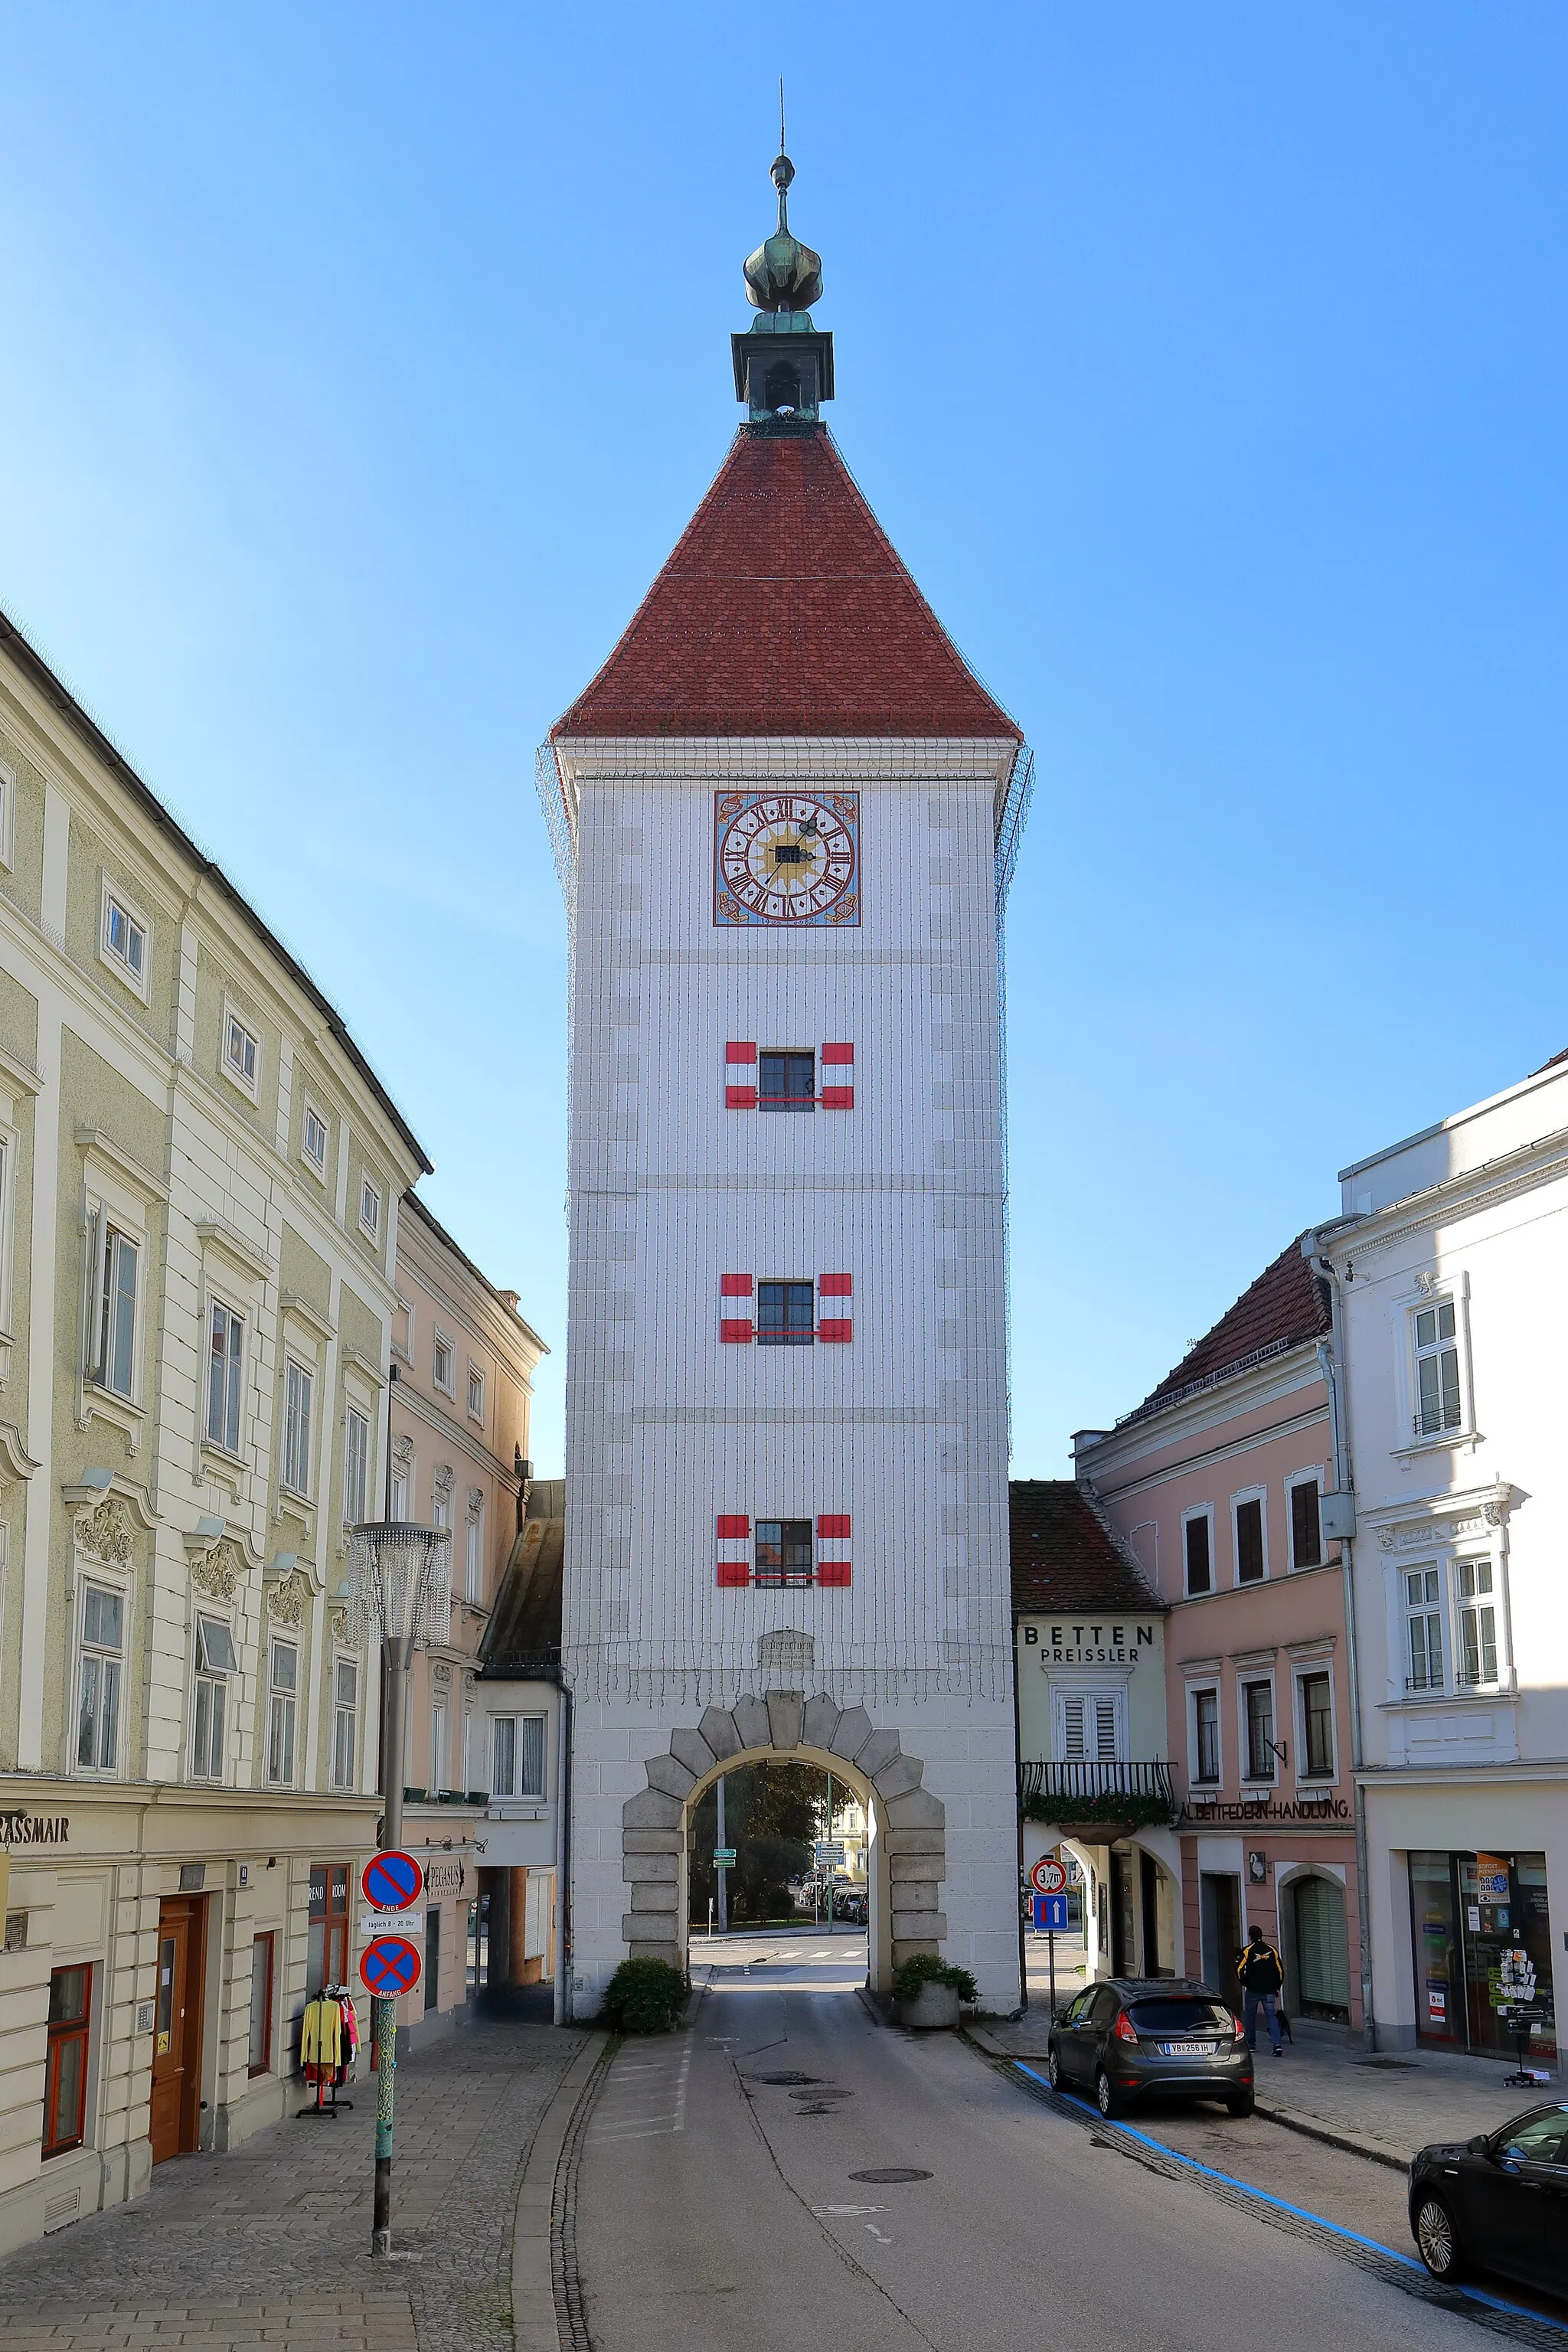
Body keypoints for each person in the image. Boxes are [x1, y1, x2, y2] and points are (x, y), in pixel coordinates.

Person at [1236, 1924, 1285, 2056]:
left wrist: (1244, 1982)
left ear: (1250, 1936)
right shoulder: (1272, 1950)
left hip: (1253, 1989)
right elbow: (1280, 1971)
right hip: (1269, 1989)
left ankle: (1251, 2044)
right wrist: (1277, 1986)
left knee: (1250, 2016)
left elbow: (1239, 1969)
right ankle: (1277, 2044)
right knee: (1272, 2016)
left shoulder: (1247, 1950)